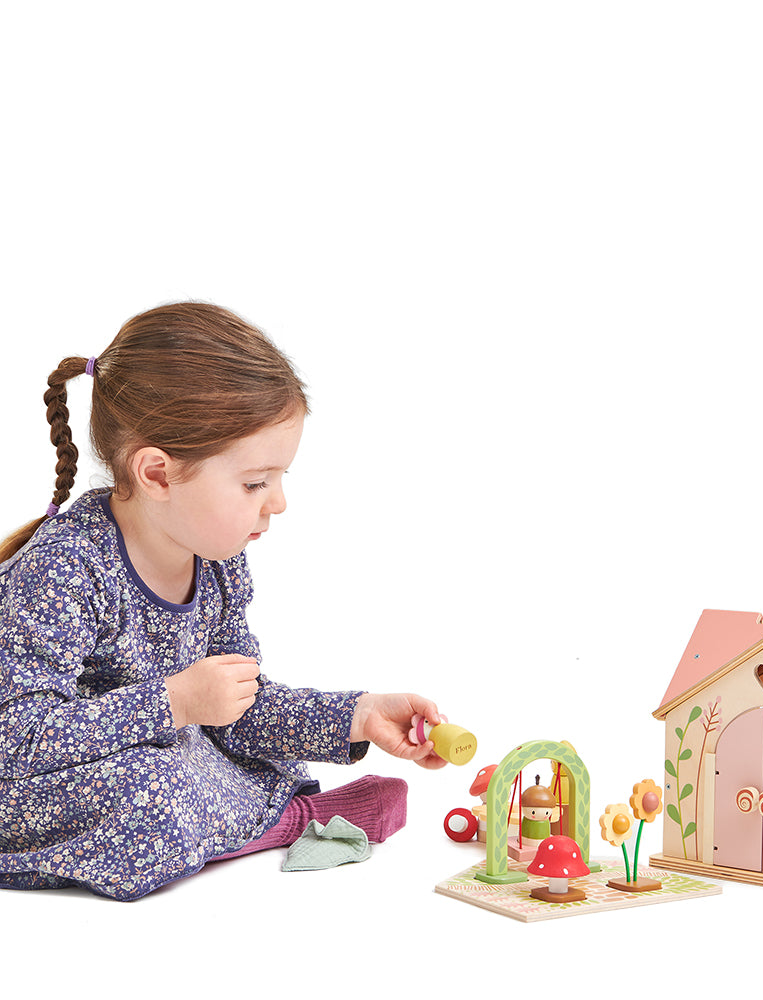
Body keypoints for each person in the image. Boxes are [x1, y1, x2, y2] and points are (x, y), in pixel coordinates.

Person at [0, 302, 447, 901]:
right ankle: (291, 821)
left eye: (279, 479)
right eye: (255, 482)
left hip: (150, 745)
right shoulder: (64, 570)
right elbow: (17, 736)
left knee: (224, 752)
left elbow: (237, 702)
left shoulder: (216, 557)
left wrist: (357, 715)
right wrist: (175, 702)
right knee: (152, 791)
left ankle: (241, 818)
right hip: (33, 776)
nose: (278, 503)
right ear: (157, 474)